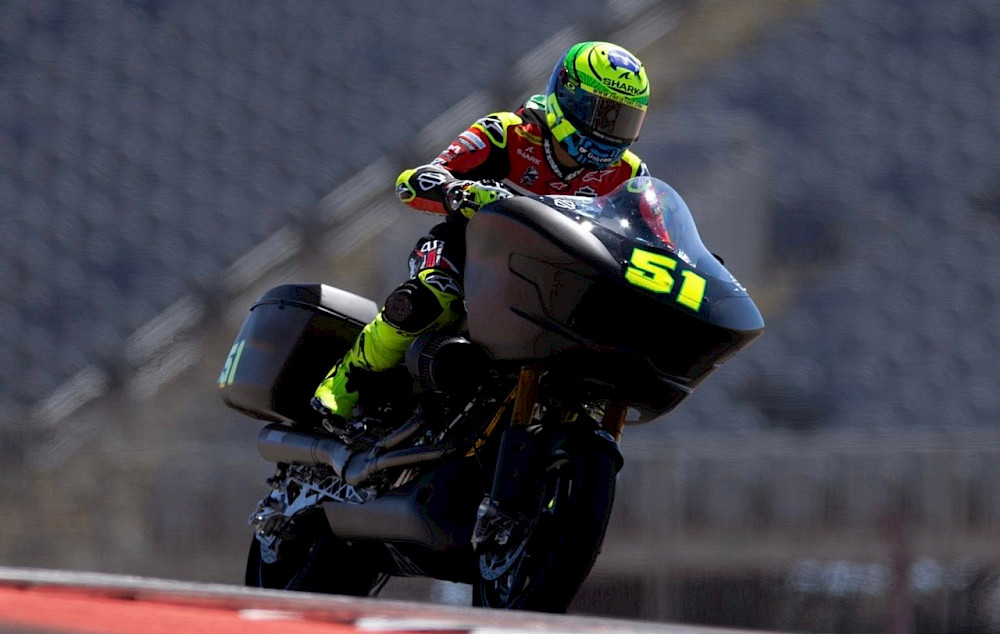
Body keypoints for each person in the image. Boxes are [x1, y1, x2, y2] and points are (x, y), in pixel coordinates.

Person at [311, 41, 652, 430]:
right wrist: (459, 192)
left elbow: (650, 232)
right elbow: (414, 182)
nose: (611, 130)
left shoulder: (630, 173)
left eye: (625, 120)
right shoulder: (505, 133)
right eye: (604, 114)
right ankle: (345, 382)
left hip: (558, 279)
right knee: (431, 299)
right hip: (472, 252)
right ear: (568, 97)